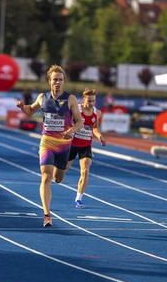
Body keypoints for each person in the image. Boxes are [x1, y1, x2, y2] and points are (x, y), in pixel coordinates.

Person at [16, 65, 83, 227]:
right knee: (45, 176)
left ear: (63, 81)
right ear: (49, 81)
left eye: (60, 80)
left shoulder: (71, 99)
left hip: (64, 144)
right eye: (55, 80)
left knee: (57, 178)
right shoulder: (42, 97)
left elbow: (80, 122)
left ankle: (61, 171)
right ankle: (47, 214)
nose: (58, 82)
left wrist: (71, 130)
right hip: (47, 141)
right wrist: (22, 107)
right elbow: (30, 111)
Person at [66, 88, 105, 209]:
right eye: (89, 101)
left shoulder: (97, 113)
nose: (91, 103)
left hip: (86, 146)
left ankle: (79, 198)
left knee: (85, 171)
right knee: (60, 173)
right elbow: (67, 121)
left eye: (93, 101)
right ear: (84, 99)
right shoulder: (76, 109)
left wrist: (99, 136)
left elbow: (95, 128)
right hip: (72, 144)